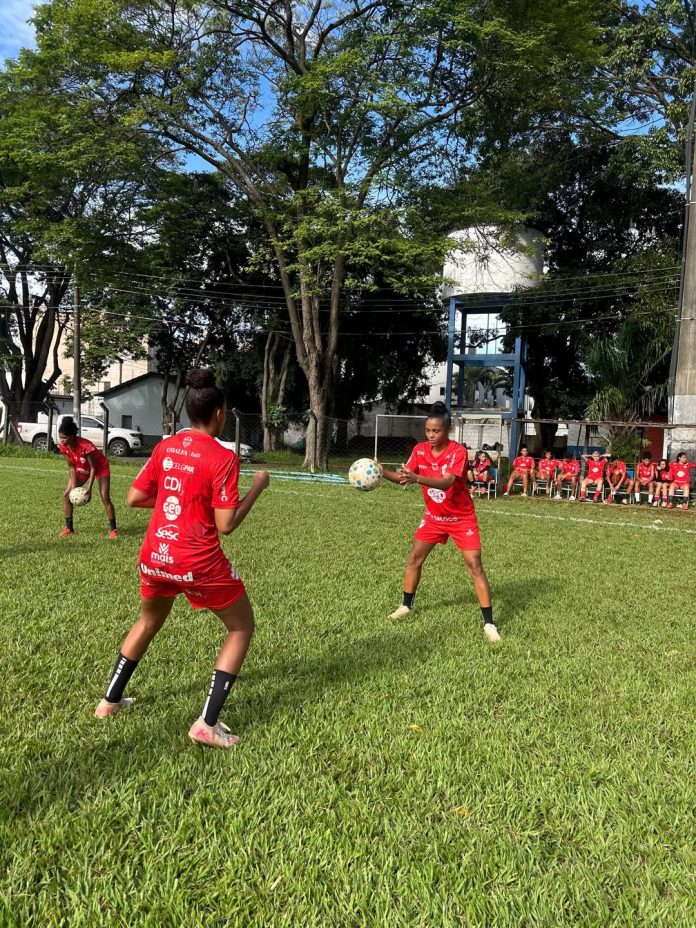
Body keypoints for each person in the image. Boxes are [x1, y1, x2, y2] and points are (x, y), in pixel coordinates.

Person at [94, 369, 270, 749]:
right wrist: (257, 488)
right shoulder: (222, 457)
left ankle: (109, 701)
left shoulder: (165, 447)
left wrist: (180, 501)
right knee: (241, 628)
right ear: (220, 413)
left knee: (147, 621)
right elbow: (226, 525)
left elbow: (134, 499)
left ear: (189, 411)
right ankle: (207, 723)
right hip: (197, 560)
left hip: (155, 554)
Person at [380, 402, 501, 643]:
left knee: (475, 565)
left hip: (461, 518)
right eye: (427, 430)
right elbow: (405, 477)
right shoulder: (420, 450)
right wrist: (382, 472)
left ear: (448, 430)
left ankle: (489, 623)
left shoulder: (458, 452)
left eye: (436, 431)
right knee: (414, 559)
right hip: (434, 518)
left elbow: (447, 482)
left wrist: (417, 478)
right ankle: (406, 605)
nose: (431, 435)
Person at [57, 416, 118, 538]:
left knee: (105, 497)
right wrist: (74, 489)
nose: (62, 440)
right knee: (66, 495)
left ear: (72, 436)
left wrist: (88, 489)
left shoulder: (86, 446)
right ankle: (69, 529)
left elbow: (93, 468)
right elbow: (71, 468)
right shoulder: (63, 447)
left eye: (64, 437)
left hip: (100, 468)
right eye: (60, 437)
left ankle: (113, 530)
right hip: (81, 467)